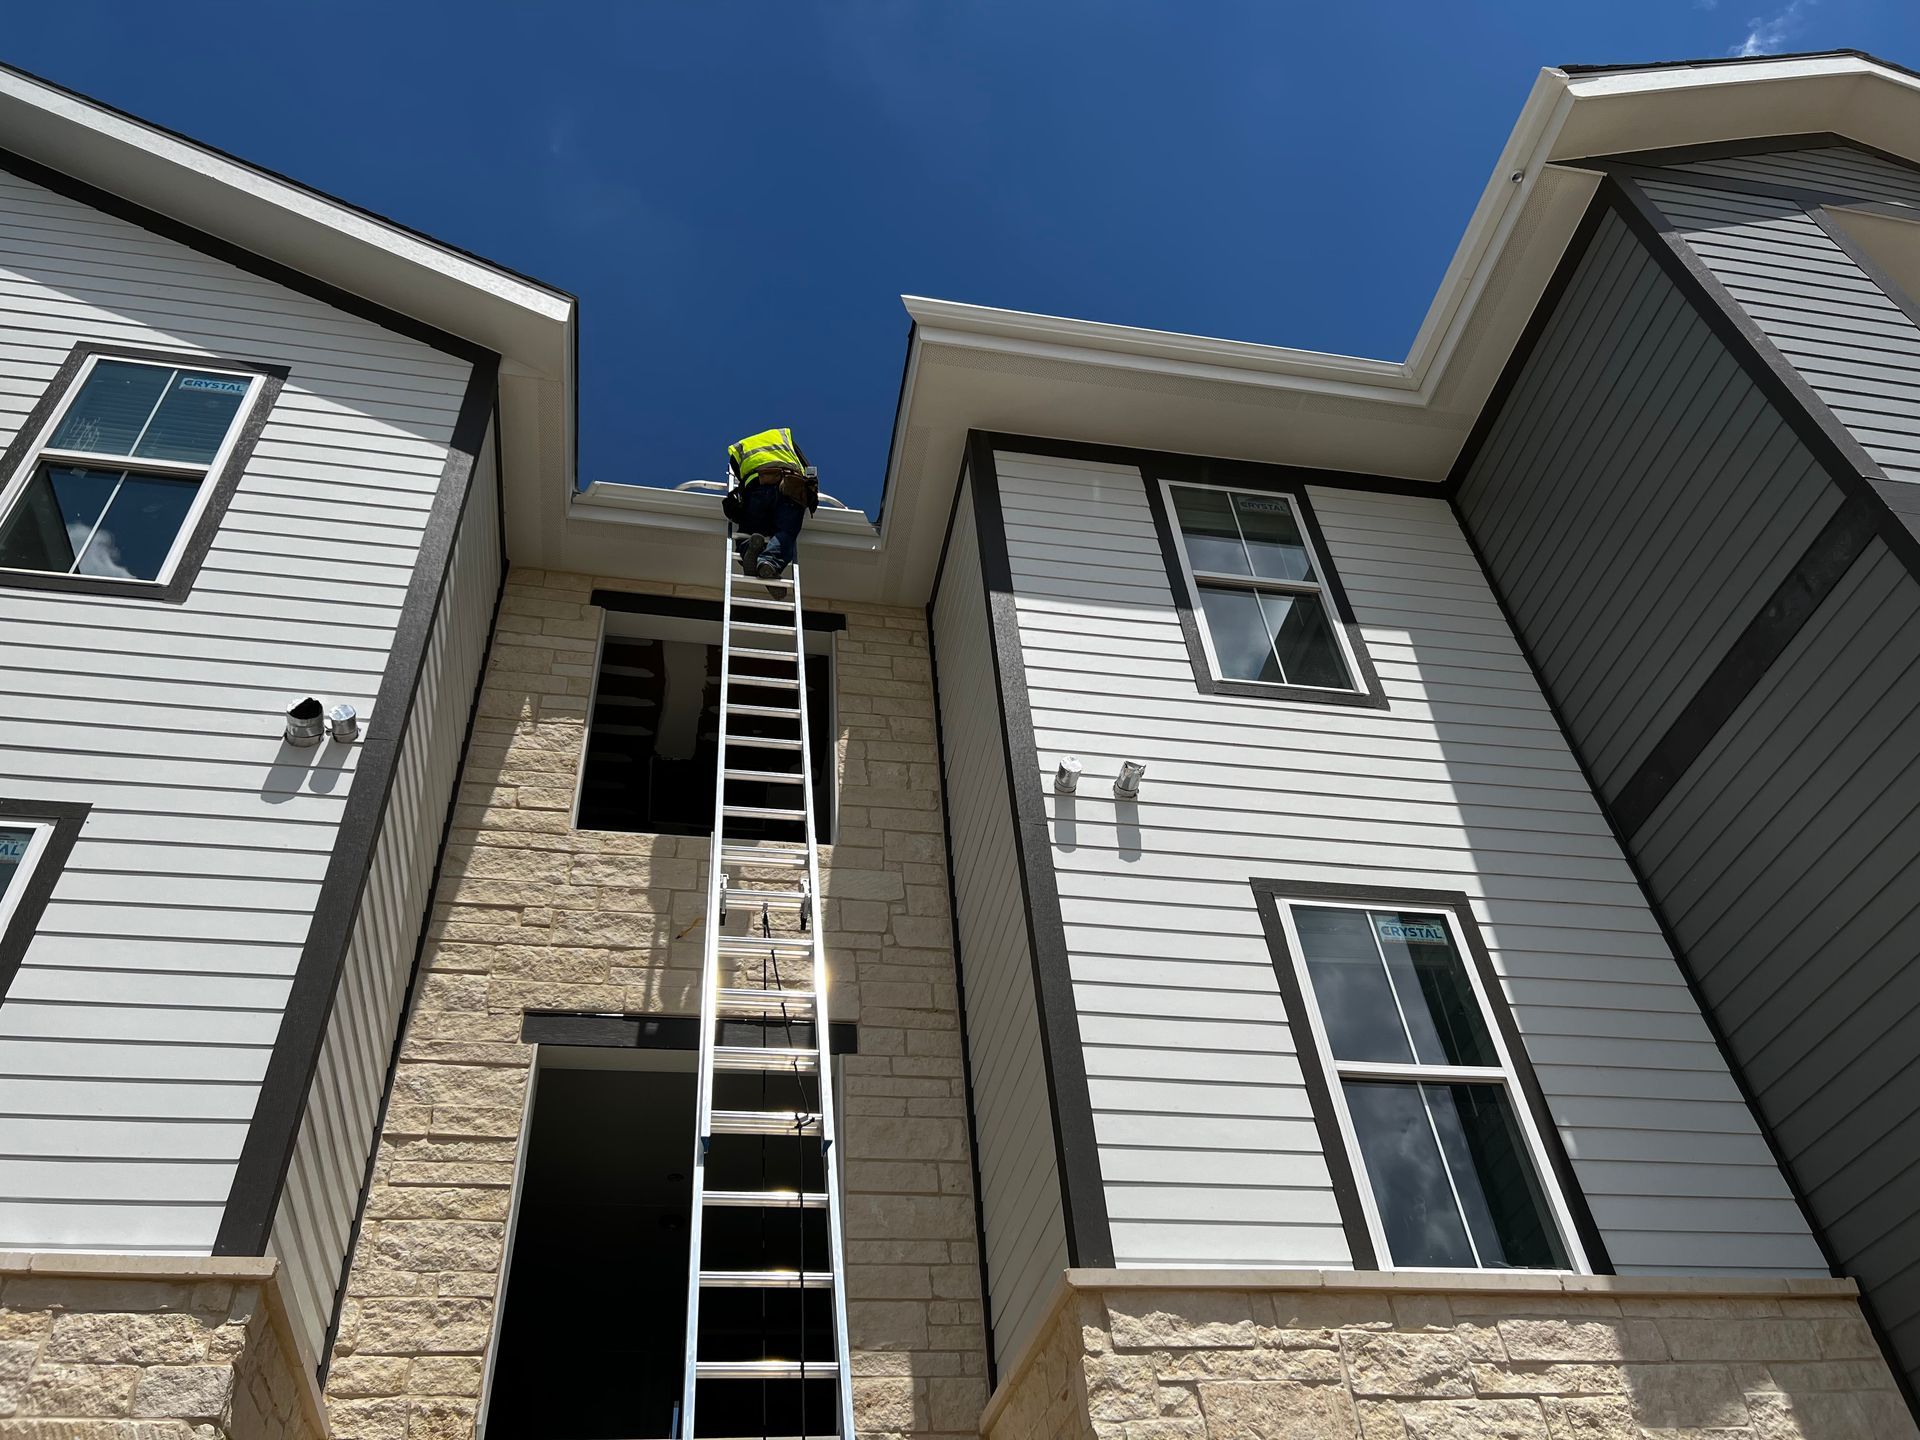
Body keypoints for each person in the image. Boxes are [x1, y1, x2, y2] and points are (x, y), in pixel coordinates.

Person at [725, 426, 818, 579]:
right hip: (790, 487)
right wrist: (812, 497)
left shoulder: (741, 447)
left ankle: (750, 547)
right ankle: (769, 562)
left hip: (758, 487)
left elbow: (739, 477)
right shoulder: (783, 437)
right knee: (786, 531)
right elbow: (806, 466)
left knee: (749, 530)